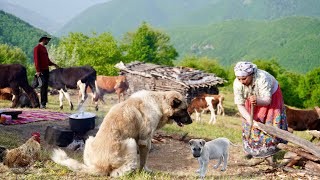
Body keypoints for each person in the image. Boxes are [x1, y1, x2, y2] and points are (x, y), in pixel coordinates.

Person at [233, 61, 288, 161]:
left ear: (251, 74)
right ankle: (252, 150)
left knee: (269, 123)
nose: (241, 81)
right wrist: (250, 120)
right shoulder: (237, 84)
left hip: (271, 98)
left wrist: (257, 101)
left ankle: (269, 152)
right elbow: (240, 105)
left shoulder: (262, 78)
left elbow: (267, 100)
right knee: (250, 123)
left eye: (244, 78)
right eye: (239, 79)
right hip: (252, 99)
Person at [33, 35, 59, 109]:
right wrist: (38, 71)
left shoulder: (44, 48)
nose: (48, 41)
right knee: (42, 86)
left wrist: (54, 64)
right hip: (41, 71)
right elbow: (36, 60)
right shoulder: (37, 48)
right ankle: (42, 104)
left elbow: (47, 61)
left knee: (44, 86)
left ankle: (43, 103)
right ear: (44, 40)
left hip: (46, 70)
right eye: (47, 40)